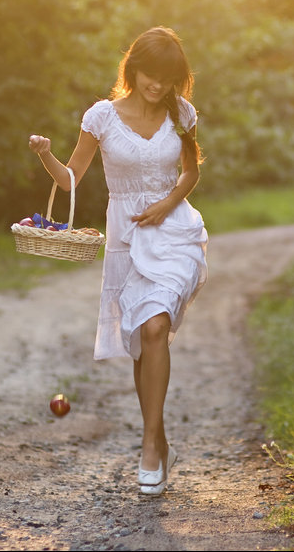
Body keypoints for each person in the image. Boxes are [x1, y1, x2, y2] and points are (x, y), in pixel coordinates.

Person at [28, 26, 207, 496]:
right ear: (134, 68)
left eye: (168, 78)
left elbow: (190, 172)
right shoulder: (102, 117)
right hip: (126, 238)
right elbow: (71, 180)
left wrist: (167, 204)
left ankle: (149, 444)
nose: (157, 85)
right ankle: (161, 438)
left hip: (173, 233)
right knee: (139, 339)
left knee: (155, 327)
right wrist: (47, 156)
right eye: (151, 74)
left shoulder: (182, 113)